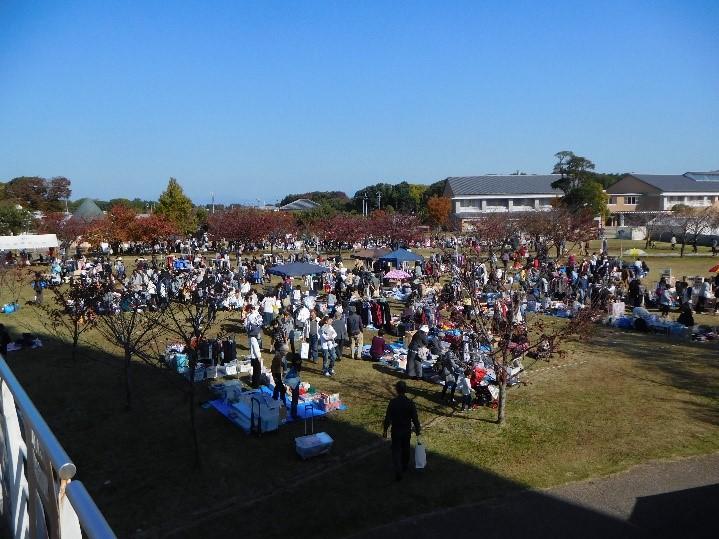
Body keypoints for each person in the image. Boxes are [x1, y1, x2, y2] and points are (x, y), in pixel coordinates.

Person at [383, 380, 421, 481]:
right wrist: (418, 429)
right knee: (406, 448)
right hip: (406, 430)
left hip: (396, 430)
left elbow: (388, 418)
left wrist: (385, 430)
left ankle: (398, 469)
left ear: (396, 390)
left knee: (395, 450)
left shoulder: (393, 402)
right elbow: (415, 418)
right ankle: (404, 465)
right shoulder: (410, 403)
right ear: (406, 390)